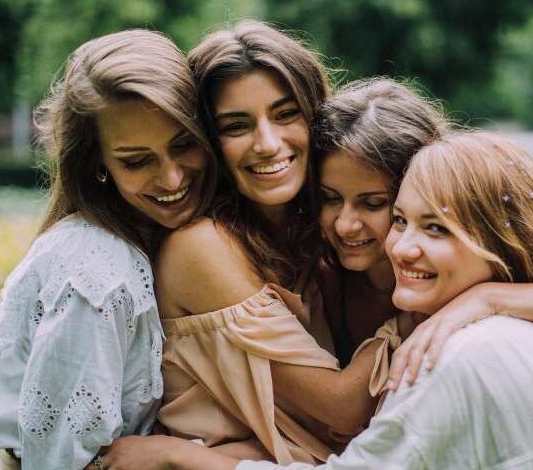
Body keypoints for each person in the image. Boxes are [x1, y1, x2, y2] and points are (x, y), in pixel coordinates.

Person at [118, 131, 533, 469]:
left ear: (499, 241)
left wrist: (174, 459)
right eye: (401, 220)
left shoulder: (453, 354)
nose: (400, 244)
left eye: (435, 228)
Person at [114, 21, 390, 466]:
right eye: (236, 126)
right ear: (208, 141)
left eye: (285, 115)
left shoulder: (317, 237)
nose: (267, 144)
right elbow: (342, 410)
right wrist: (428, 313)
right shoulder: (202, 247)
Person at [310, 78, 533, 389]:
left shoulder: (471, 263)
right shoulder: (319, 273)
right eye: (330, 198)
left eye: (373, 204)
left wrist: (489, 297)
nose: (345, 225)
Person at [0, 29, 215, 470]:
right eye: (137, 160)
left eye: (184, 144)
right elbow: (61, 462)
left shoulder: (145, 238)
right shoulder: (97, 272)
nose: (173, 178)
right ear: (97, 164)